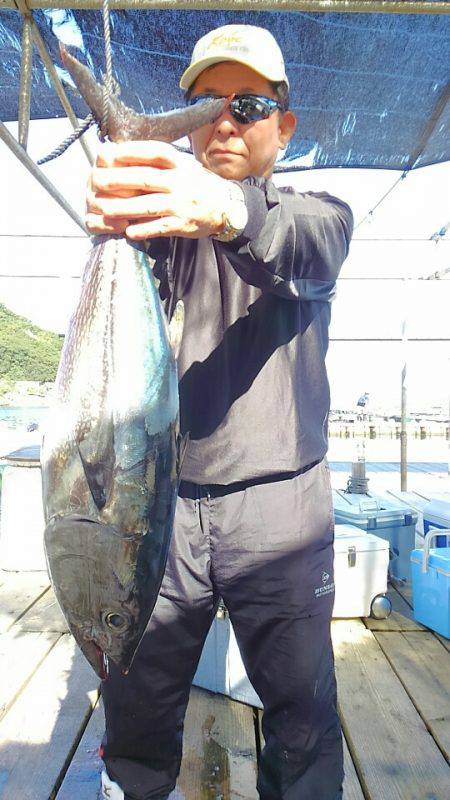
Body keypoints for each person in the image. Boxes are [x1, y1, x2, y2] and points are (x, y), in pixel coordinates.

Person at [87, 24, 353, 800]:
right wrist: (113, 213)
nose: (225, 122)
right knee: (137, 701)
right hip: (160, 509)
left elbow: (310, 245)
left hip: (283, 509)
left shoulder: (315, 213)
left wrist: (226, 211)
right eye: (207, 105)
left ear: (284, 125)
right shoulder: (154, 233)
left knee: (303, 712)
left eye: (248, 103)